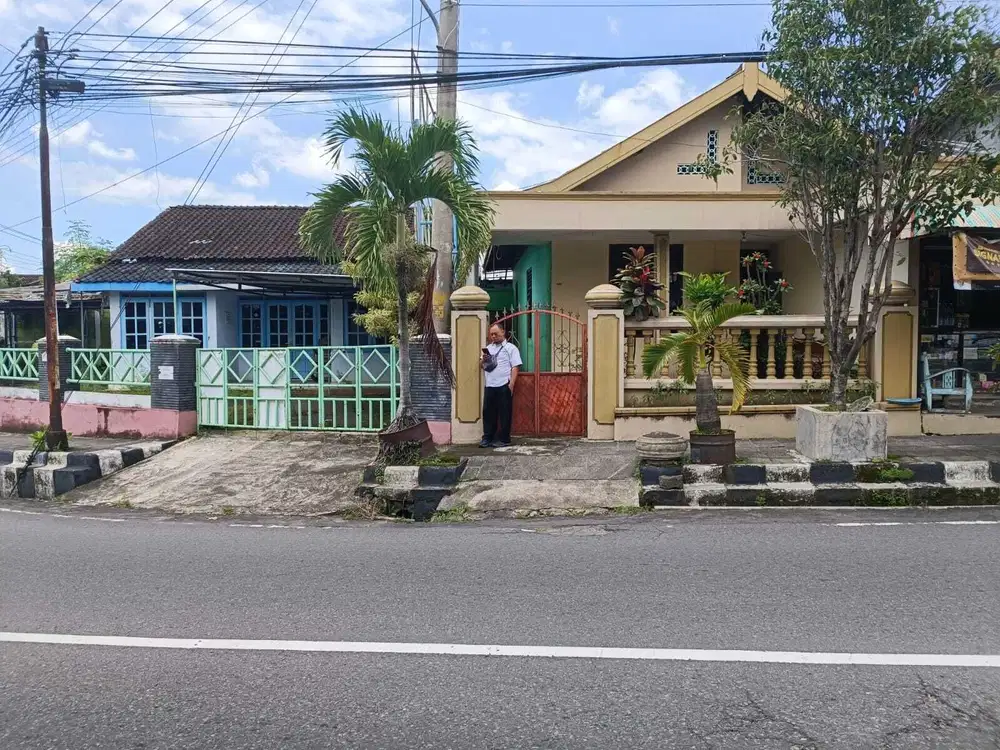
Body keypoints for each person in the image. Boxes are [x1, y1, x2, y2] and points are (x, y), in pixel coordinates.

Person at [480, 323, 521, 448]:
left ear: (503, 332)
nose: (493, 336)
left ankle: (504, 439)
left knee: (504, 413)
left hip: (504, 385)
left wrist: (512, 384)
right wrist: (484, 359)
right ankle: (487, 437)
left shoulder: (511, 348)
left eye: (496, 334)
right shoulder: (488, 348)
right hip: (490, 385)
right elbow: (482, 366)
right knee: (488, 413)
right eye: (491, 334)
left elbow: (515, 366)